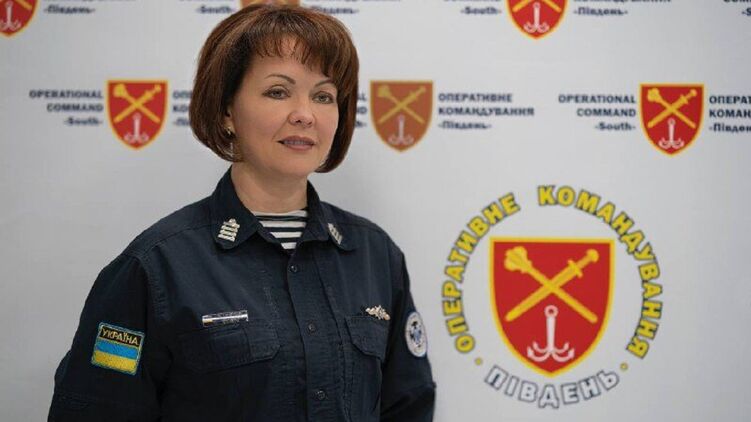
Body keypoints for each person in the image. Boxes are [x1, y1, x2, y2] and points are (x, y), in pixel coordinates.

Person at [48, 4, 435, 422]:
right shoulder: (157, 267)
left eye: (323, 96)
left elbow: (409, 407)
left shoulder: (375, 255)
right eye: (278, 92)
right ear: (226, 111)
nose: (305, 114)